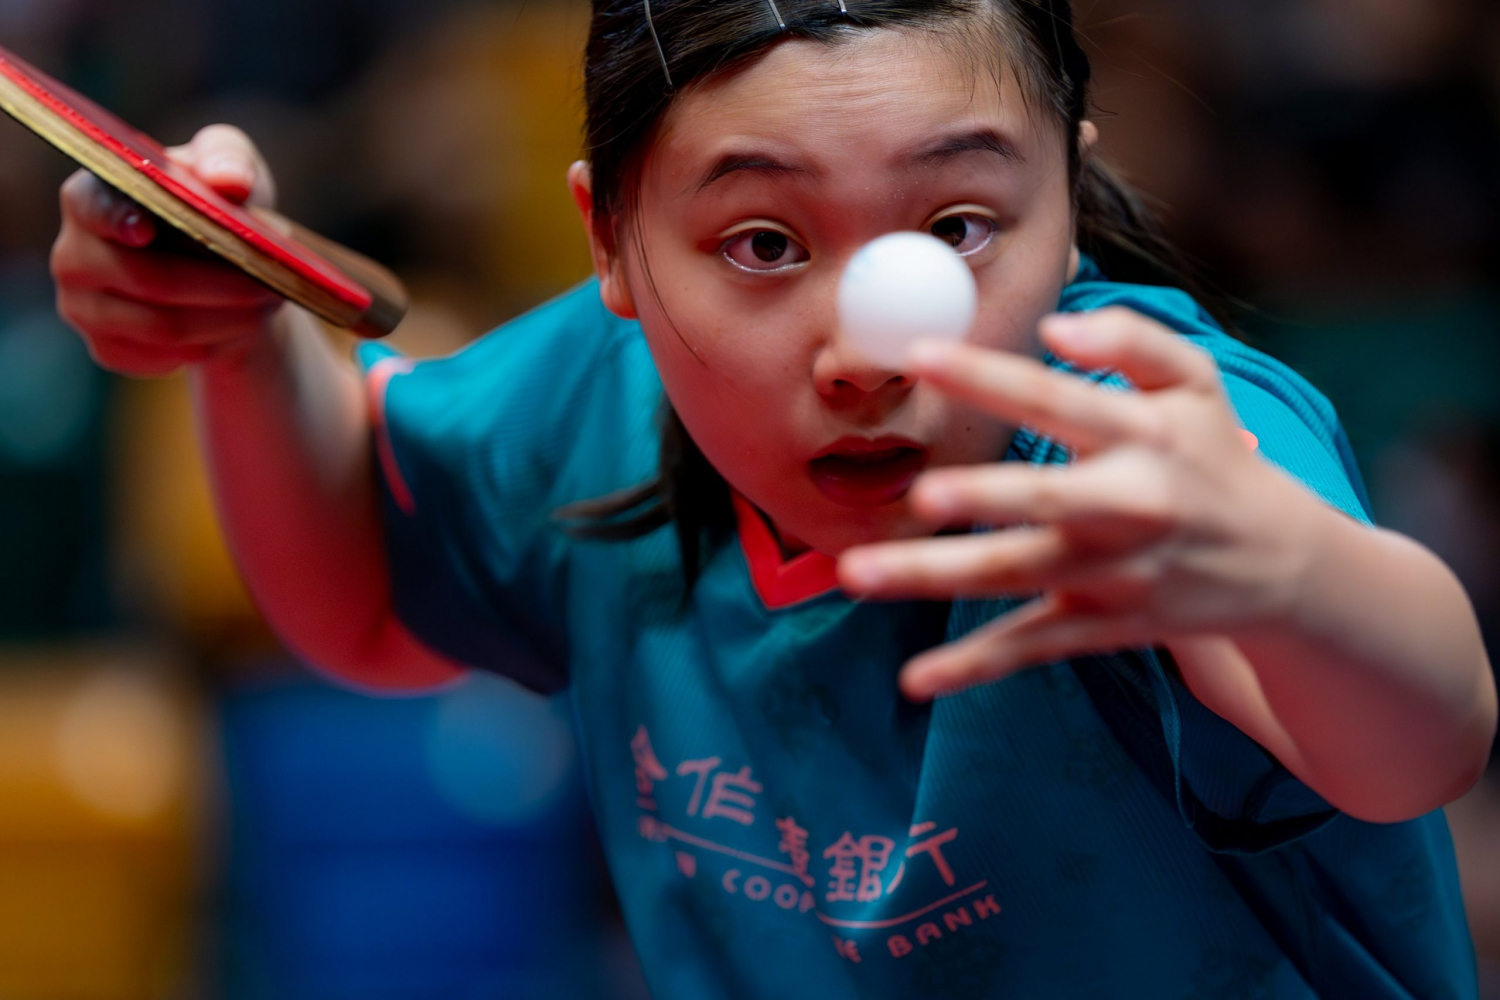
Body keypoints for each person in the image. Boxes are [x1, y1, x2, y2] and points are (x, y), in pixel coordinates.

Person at [49, 0, 1498, 995]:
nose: (865, 353)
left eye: (958, 225)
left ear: (1068, 199)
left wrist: (1294, 583)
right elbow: (367, 603)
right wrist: (238, 346)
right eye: (760, 243)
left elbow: (1415, 746)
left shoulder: (1162, 444)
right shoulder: (596, 395)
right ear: (610, 240)